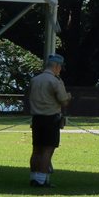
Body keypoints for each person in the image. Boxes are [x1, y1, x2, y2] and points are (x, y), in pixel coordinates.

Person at [28, 54, 71, 188]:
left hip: (36, 118)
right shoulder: (55, 81)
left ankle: (34, 177)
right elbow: (63, 101)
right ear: (56, 66)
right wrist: (69, 96)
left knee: (36, 150)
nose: (60, 70)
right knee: (48, 150)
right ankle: (42, 180)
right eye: (60, 67)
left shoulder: (35, 80)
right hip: (50, 118)